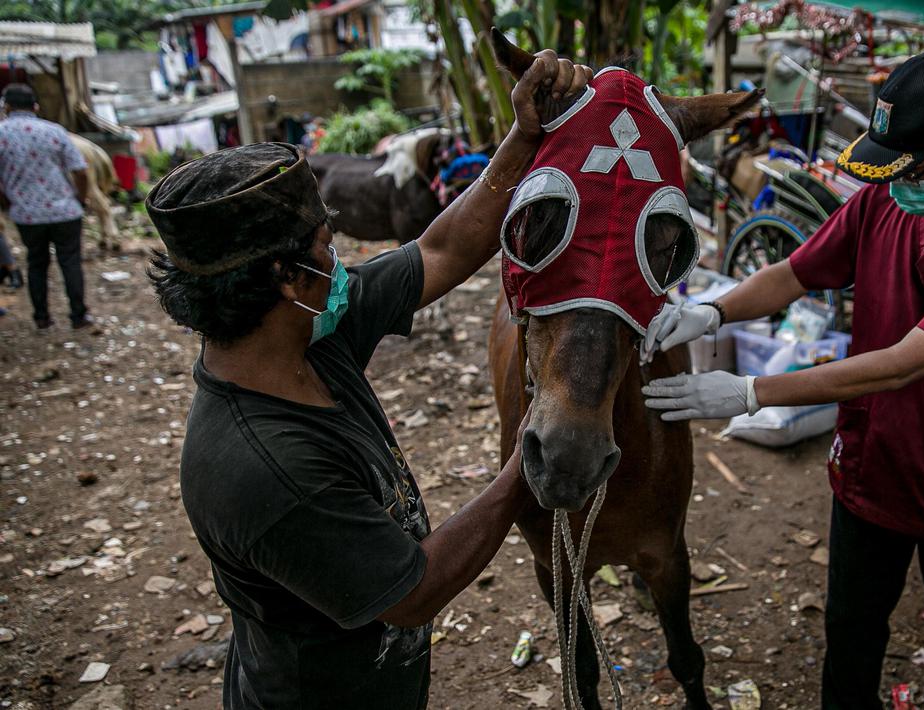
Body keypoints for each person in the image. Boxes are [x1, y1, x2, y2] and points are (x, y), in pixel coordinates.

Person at [144, 52, 591, 708]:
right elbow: (413, 594)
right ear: (285, 279)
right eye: (328, 247)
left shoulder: (304, 332)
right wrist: (525, 465)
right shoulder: (263, 469)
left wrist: (525, 134)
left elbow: (443, 249)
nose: (342, 262)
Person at [640, 52, 924, 708]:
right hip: (872, 464)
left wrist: (751, 391)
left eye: (913, 167)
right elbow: (795, 273)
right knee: (849, 633)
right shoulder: (885, 204)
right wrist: (711, 309)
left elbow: (907, 360)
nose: (897, 183)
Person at [0, 84, 92, 330]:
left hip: (26, 214)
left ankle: (42, 318)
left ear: (6, 107)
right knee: (70, 262)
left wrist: (8, 202)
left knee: (36, 264)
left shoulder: (1, 134)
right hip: (65, 211)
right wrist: (80, 199)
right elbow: (80, 171)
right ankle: (78, 316)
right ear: (36, 107)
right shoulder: (54, 131)